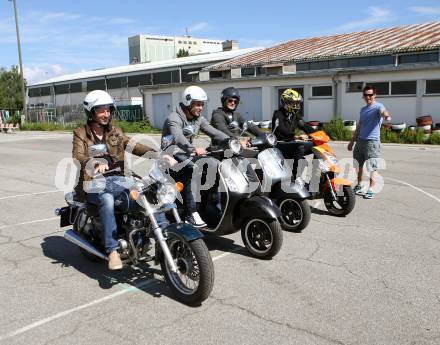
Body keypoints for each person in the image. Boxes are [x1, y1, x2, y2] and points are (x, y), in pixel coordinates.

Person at [73, 90, 174, 270]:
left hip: (118, 179)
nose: (106, 114)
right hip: (93, 183)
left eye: (108, 110)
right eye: (101, 110)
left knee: (149, 192)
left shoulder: (115, 131)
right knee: (107, 199)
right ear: (91, 112)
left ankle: (165, 238)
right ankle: (112, 250)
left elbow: (133, 145)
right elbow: (78, 155)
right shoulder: (81, 133)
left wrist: (158, 154)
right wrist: (94, 162)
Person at [162, 85, 229, 227]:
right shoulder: (174, 118)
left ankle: (211, 205)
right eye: (198, 104)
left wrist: (230, 141)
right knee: (191, 169)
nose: (200, 108)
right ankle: (190, 213)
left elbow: (214, 131)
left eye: (202, 105)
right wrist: (192, 148)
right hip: (171, 155)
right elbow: (178, 137)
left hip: (187, 154)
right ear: (188, 102)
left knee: (214, 165)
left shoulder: (198, 119)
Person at [348, 85, 391, 199]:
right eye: (366, 95)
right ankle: (359, 185)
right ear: (363, 96)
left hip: (372, 142)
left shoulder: (378, 106)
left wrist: (387, 116)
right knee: (358, 165)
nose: (368, 97)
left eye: (370, 95)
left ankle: (371, 189)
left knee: (372, 167)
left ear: (374, 95)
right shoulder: (363, 109)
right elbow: (360, 126)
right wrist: (352, 141)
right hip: (360, 141)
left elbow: (383, 112)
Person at [271, 88, 315, 179]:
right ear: (286, 103)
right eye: (293, 103)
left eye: (297, 103)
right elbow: (281, 131)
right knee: (300, 147)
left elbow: (304, 126)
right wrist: (296, 137)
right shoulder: (278, 114)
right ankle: (293, 178)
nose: (296, 105)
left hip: (290, 144)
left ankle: (318, 175)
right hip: (280, 145)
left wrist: (319, 133)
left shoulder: (294, 116)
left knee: (314, 147)